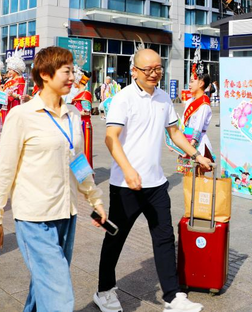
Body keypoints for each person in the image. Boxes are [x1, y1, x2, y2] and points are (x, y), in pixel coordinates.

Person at [0, 47, 106, 311]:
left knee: (44, 285)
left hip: (67, 214)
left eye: (73, 70)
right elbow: (4, 171)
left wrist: (95, 199)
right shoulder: (22, 116)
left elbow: (79, 162)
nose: (72, 76)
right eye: (66, 71)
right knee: (58, 292)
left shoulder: (73, 115)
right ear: (45, 74)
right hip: (34, 218)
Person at [95, 48, 212, 312]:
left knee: (164, 238)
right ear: (134, 70)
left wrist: (196, 155)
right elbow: (111, 138)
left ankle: (172, 297)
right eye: (148, 69)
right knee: (115, 237)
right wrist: (127, 170)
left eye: (158, 68)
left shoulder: (163, 98)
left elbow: (174, 132)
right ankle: (104, 291)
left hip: (156, 184)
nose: (154, 74)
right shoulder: (123, 99)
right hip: (125, 185)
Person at [175, 49, 213, 175]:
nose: (189, 84)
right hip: (187, 141)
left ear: (201, 83)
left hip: (197, 144)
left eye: (192, 81)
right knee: (188, 179)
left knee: (197, 178)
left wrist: (189, 147)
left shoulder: (204, 104)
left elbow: (197, 128)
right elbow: (184, 125)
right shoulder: (190, 100)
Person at [71, 67, 95, 167]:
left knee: (84, 149)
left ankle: (86, 177)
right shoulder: (78, 93)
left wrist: (73, 111)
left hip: (84, 125)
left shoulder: (86, 94)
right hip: (78, 124)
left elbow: (87, 112)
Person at [0, 51, 27, 126]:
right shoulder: (10, 80)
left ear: (16, 70)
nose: (9, 72)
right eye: (8, 70)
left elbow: (21, 96)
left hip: (14, 105)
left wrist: (13, 95)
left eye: (10, 70)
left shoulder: (20, 79)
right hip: (7, 104)